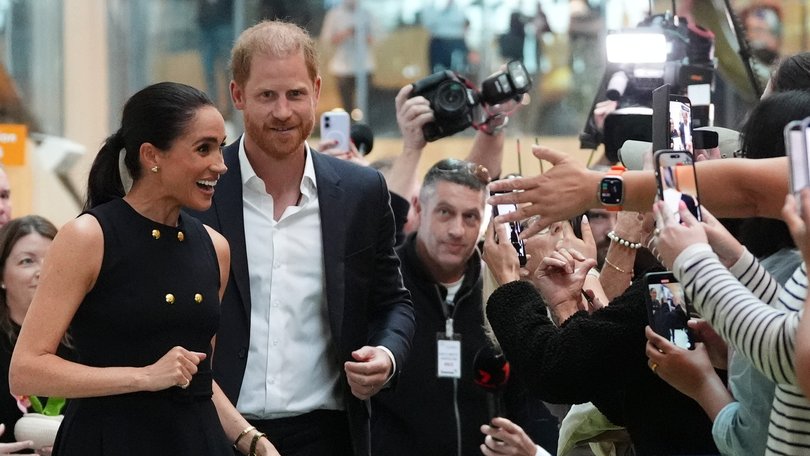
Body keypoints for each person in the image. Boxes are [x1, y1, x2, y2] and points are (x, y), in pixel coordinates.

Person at [9, 82, 279, 456]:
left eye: (220, 146)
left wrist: (254, 441)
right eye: (203, 148)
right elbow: (26, 370)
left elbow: (200, 379)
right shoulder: (88, 237)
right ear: (152, 155)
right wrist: (144, 377)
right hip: (109, 440)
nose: (220, 164)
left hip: (195, 442)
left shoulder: (215, 247)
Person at [188, 21, 415, 456]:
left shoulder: (361, 192)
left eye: (294, 94)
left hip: (327, 435)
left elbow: (393, 302)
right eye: (266, 96)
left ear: (316, 90)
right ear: (237, 95)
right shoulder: (198, 191)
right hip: (215, 428)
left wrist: (386, 356)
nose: (282, 112)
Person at [0, 216, 69, 453]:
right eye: (27, 261)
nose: (43, 271)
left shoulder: (86, 338)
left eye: (53, 258)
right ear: (2, 277)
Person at [319, 0, 375, 114]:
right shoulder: (334, 15)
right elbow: (327, 39)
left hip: (364, 66)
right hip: (342, 68)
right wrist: (346, 33)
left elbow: (374, 38)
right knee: (347, 106)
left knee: (367, 105)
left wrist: (359, 35)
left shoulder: (366, 13)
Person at [197, 0, 234, 115]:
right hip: (205, 25)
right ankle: (212, 109)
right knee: (208, 70)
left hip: (225, 22)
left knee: (228, 69)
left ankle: (231, 108)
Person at [422, 0, 469, 74]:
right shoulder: (431, 7)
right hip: (439, 42)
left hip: (457, 42)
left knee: (458, 71)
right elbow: (428, 22)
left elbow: (465, 23)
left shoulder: (460, 8)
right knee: (438, 72)